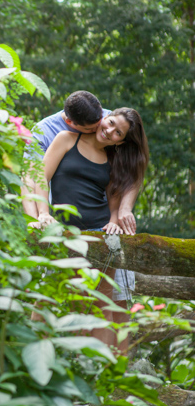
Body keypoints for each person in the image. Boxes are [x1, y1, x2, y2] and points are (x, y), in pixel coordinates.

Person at [34, 107, 150, 353]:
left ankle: (97, 373)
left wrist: (113, 220)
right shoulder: (66, 139)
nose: (109, 131)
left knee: (100, 306)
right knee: (50, 297)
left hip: (99, 236)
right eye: (110, 123)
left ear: (122, 141)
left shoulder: (114, 158)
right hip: (64, 234)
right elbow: (40, 176)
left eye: (118, 132)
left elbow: (114, 195)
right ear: (104, 117)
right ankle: (36, 359)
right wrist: (43, 213)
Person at [22, 91, 139, 235]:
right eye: (91, 128)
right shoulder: (52, 135)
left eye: (118, 133)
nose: (106, 130)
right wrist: (39, 217)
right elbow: (33, 176)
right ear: (70, 123)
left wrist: (116, 219)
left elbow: (120, 186)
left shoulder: (112, 126)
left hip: (98, 227)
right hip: (60, 223)